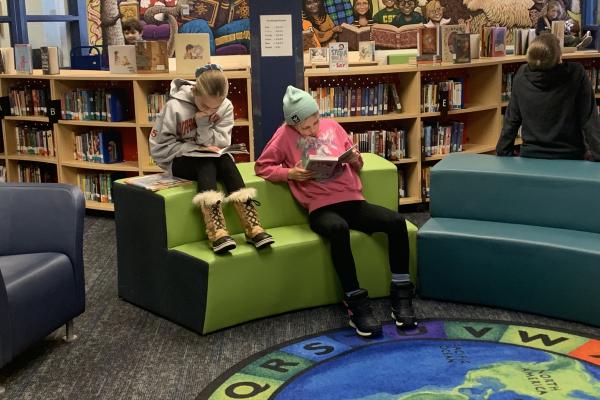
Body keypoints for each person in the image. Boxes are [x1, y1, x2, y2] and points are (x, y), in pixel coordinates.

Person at [254, 85, 416, 338]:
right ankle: (355, 304)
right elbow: (262, 167)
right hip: (320, 207)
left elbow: (358, 162)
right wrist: (291, 173)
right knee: (338, 229)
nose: (313, 130)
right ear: (293, 125)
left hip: (353, 200)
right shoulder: (283, 135)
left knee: (396, 222)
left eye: (315, 122)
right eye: (306, 128)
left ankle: (402, 293)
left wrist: (354, 159)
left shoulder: (333, 126)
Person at [150, 64, 275, 253]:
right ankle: (215, 230)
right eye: (205, 106)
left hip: (208, 159)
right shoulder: (174, 106)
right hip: (176, 161)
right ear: (194, 91)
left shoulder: (225, 106)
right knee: (206, 161)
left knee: (224, 159)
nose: (210, 110)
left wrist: (203, 126)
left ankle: (252, 225)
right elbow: (159, 150)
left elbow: (222, 141)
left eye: (216, 106)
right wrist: (192, 148)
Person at [496, 33, 600, 161]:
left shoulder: (521, 75)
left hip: (530, 156)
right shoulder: (576, 74)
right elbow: (589, 119)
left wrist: (503, 152)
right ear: (559, 58)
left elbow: (512, 120)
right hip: (570, 157)